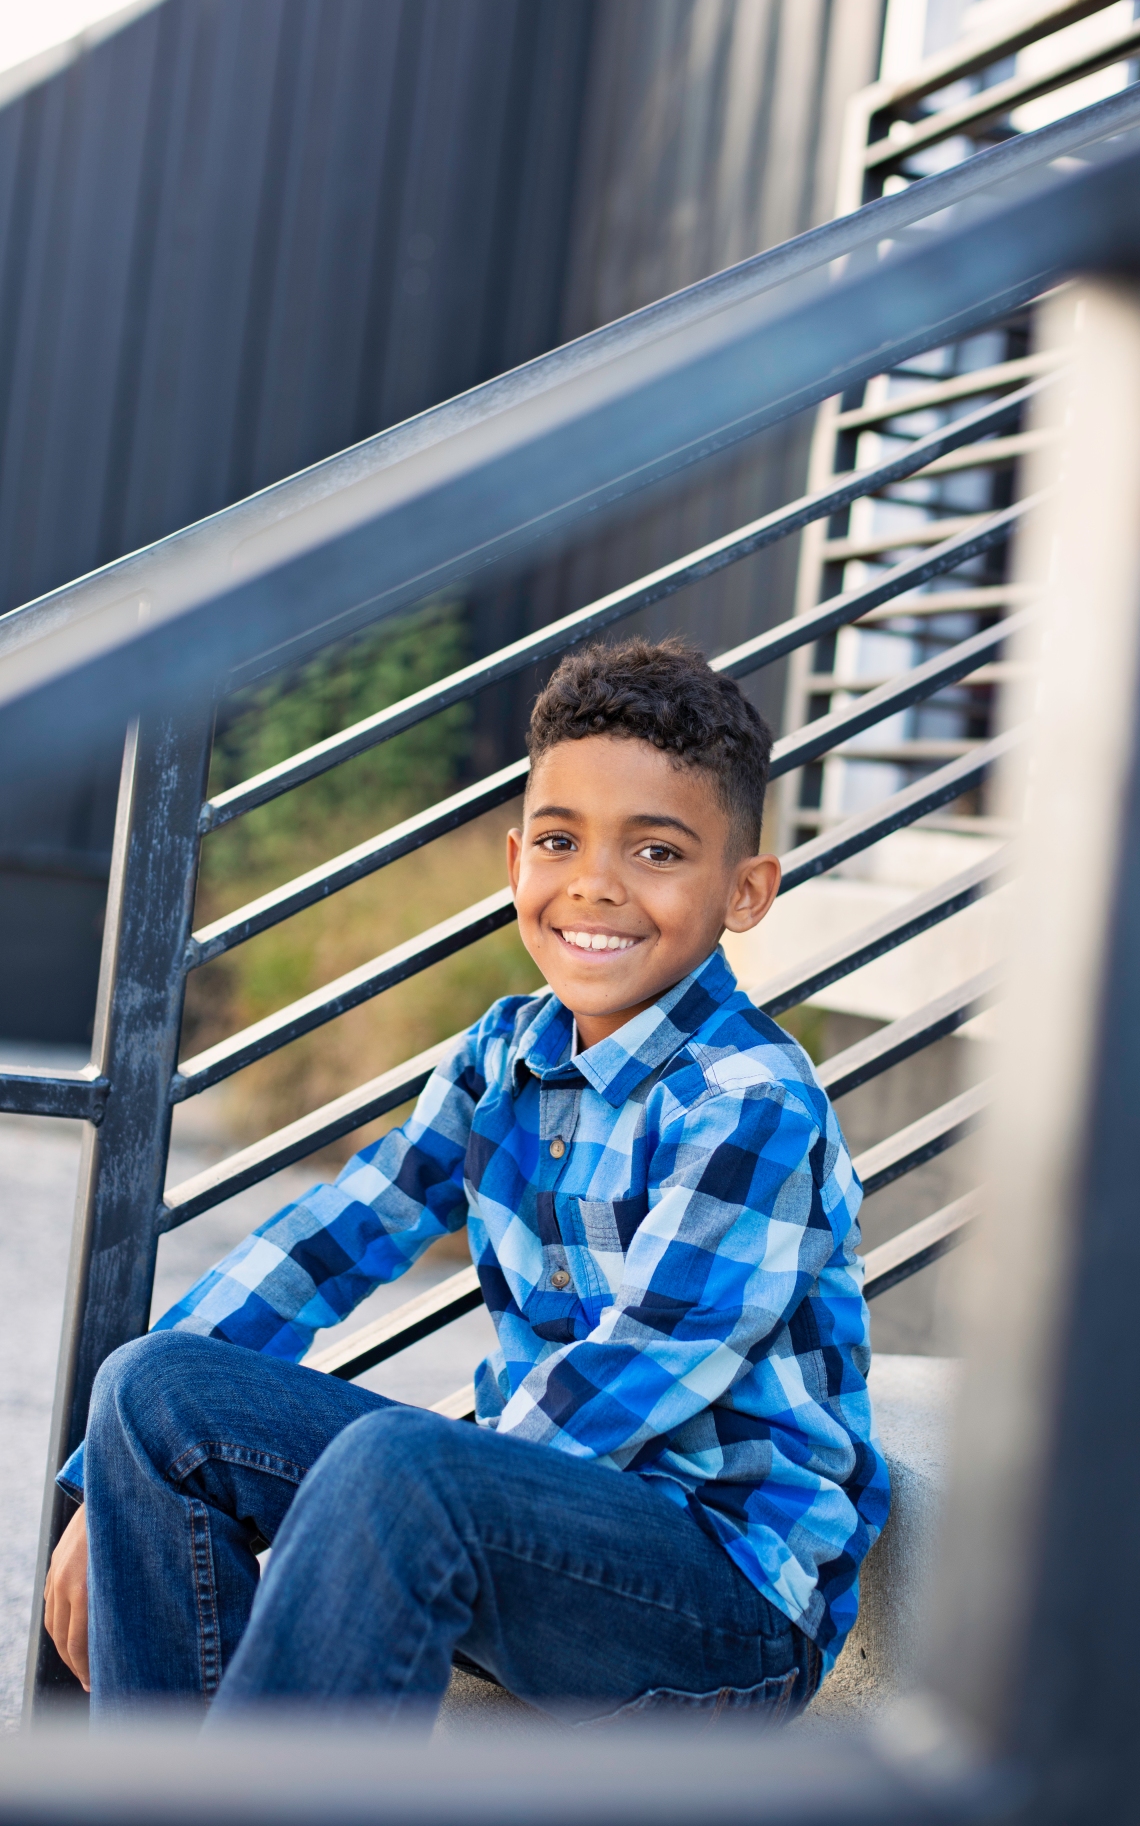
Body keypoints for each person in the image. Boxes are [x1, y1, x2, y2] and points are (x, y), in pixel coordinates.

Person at [43, 637, 889, 1721]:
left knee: (401, 1466)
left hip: (723, 1602)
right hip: (536, 1533)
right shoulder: (504, 1054)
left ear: (746, 891)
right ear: (515, 863)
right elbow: (334, 1239)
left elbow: (638, 1369)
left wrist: (398, 1504)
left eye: (657, 852)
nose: (595, 884)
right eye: (560, 841)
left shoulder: (750, 1101)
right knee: (154, 1390)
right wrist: (107, 1484)